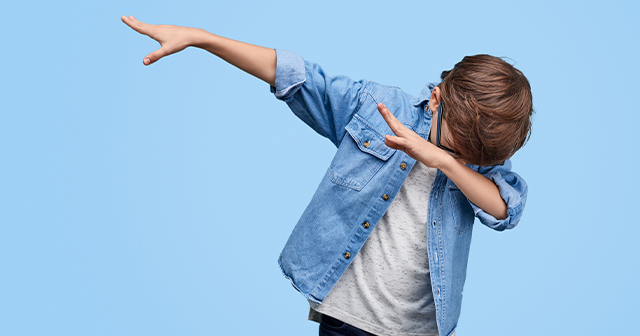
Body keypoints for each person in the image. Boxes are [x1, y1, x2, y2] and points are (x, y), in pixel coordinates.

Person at [121, 15, 533, 336]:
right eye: (453, 144)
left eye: (469, 155)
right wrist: (203, 38)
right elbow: (297, 76)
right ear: (437, 97)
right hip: (347, 316)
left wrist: (443, 160)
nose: (458, 155)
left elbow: (505, 207)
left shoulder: (474, 154)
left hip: (426, 327)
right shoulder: (378, 107)